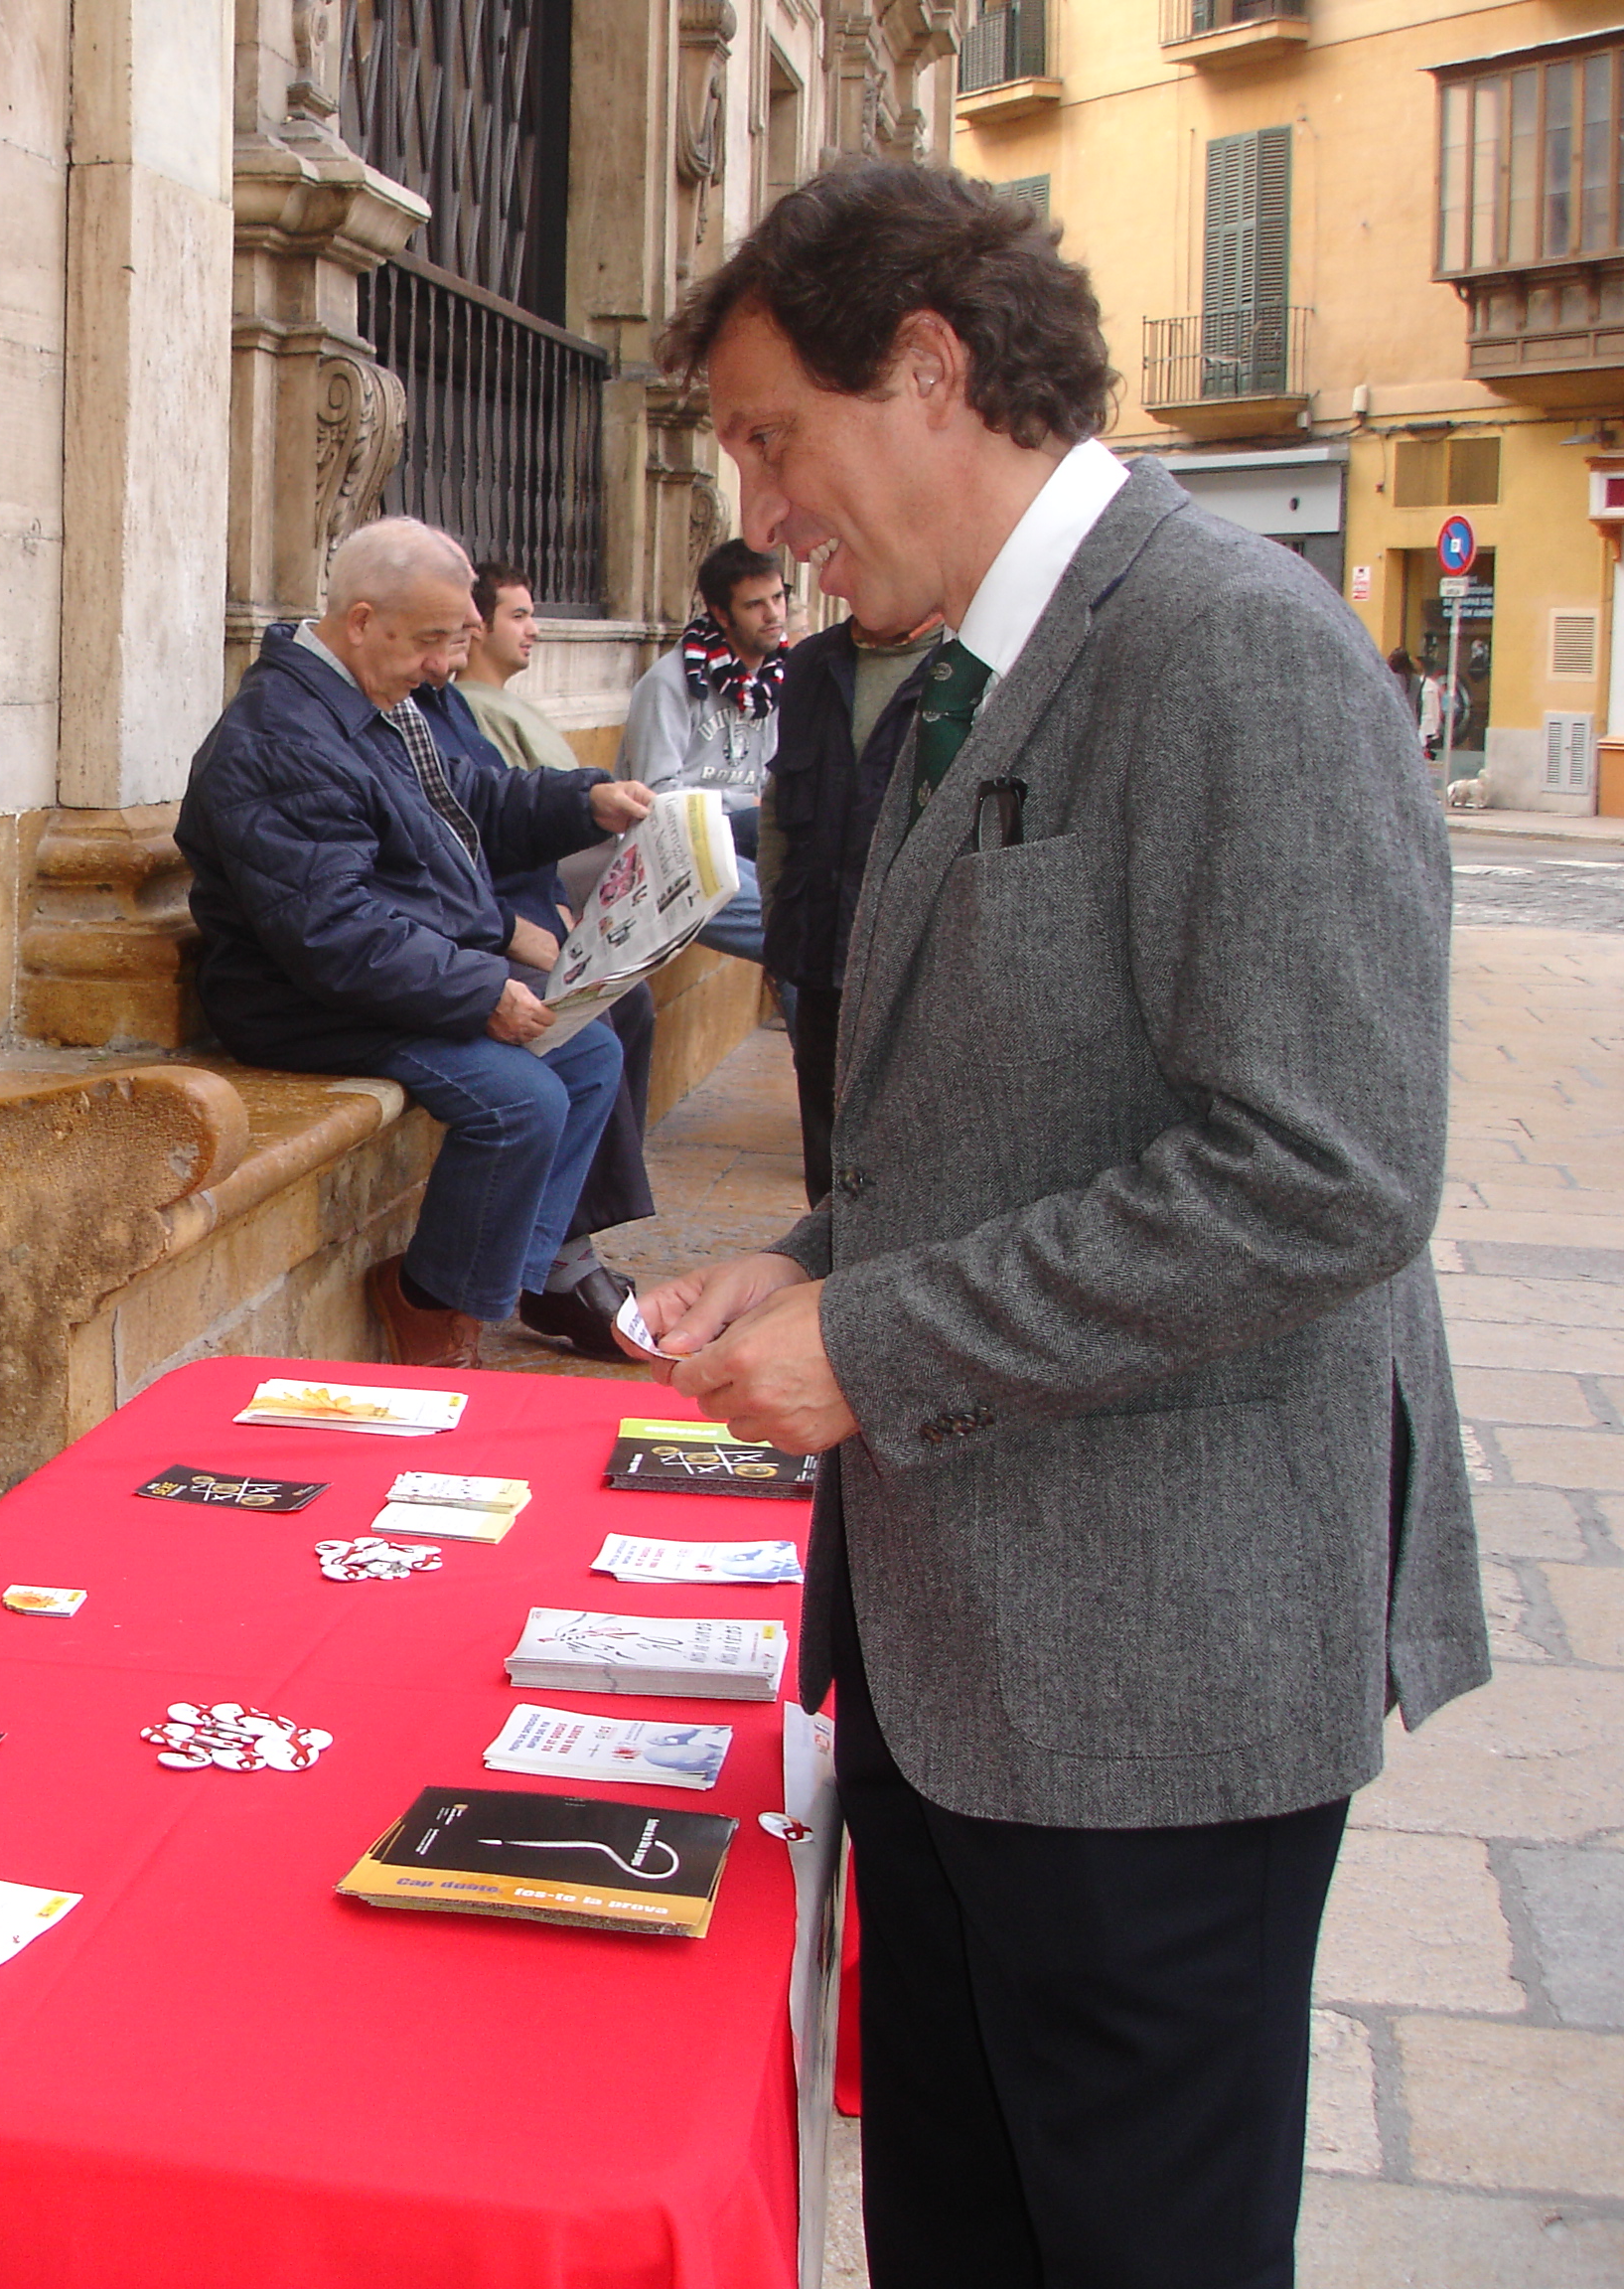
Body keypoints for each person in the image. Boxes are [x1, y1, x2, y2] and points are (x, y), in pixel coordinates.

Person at [636, 162, 1486, 2288]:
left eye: (770, 436)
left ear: (929, 372)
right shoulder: (957, 663)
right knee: (970, 2217)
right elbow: (1030, 1107)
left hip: (1153, 1667)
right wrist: (820, 1261)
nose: (756, 508)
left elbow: (1327, 1173)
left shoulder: (1228, 654)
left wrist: (879, 1346)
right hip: (968, 1649)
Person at [177, 516, 652, 1367]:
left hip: (388, 965)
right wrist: (479, 990)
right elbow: (331, 934)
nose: (447, 665)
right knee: (523, 1100)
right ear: (361, 621)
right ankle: (435, 1309)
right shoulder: (282, 736)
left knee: (589, 1056)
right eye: (432, 640)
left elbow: (471, 802)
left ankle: (479, 1282)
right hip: (302, 1001)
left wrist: (586, 801)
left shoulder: (372, 700)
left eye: (456, 640)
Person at [459, 560, 664, 1328]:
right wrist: (517, 928)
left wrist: (585, 809)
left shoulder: (435, 707)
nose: (531, 629)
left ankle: (561, 1246)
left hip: (511, 911)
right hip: (472, 933)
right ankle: (551, 1264)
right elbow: (454, 846)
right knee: (584, 1034)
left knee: (623, 1006)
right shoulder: (432, 707)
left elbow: (499, 810)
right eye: (516, 615)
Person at [757, 604, 939, 1205]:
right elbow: (780, 804)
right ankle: (826, 1286)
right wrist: (777, 920)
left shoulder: (968, 662)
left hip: (922, 965)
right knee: (827, 1153)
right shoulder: (812, 664)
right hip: (818, 946)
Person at [622, 538, 791, 970]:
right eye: (755, 605)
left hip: (744, 834)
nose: (773, 615)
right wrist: (744, 805)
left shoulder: (777, 681)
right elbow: (654, 796)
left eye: (778, 597)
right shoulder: (671, 683)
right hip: (672, 847)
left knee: (812, 897)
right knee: (795, 934)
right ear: (720, 613)